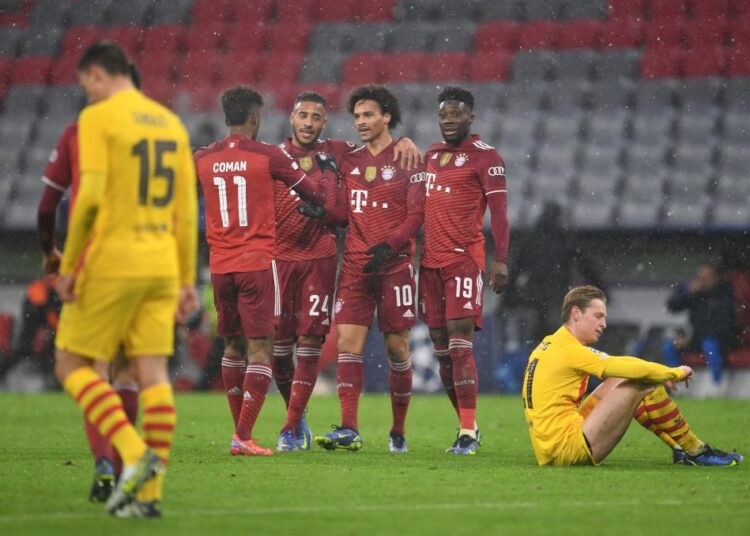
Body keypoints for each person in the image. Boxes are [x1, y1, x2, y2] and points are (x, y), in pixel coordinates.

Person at [53, 41, 198, 517]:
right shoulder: (171, 123)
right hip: (160, 263)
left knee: (71, 364)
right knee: (153, 375)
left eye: (86, 86)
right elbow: (184, 211)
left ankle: (133, 456)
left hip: (114, 260)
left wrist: (69, 266)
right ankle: (148, 500)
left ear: (96, 75)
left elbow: (89, 195)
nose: (87, 96)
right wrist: (186, 280)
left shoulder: (99, 118)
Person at [272, 91, 421, 452]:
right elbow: (342, 214)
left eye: (368, 114)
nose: (361, 122)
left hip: (395, 267)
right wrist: (321, 213)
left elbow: (416, 216)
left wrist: (391, 244)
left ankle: (398, 429)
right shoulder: (347, 158)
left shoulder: (408, 158)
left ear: (387, 117)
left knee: (398, 349)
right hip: (355, 267)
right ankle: (350, 428)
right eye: (356, 116)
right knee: (348, 347)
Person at [194, 85, 337, 457]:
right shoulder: (268, 155)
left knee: (232, 346)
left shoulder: (203, 157)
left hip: (220, 265)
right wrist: (327, 175)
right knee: (263, 349)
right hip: (257, 262)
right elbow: (317, 198)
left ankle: (239, 430)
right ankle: (243, 435)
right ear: (256, 118)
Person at [37, 61, 142, 503]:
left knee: (87, 369)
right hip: (139, 261)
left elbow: (47, 206)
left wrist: (51, 252)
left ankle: (104, 457)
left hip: (90, 264)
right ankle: (122, 470)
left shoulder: (78, 134)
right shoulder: (151, 136)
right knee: (128, 370)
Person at [522, 285, 743, 466]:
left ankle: (680, 448)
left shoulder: (553, 343)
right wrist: (673, 372)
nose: (604, 324)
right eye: (598, 316)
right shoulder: (570, 350)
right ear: (576, 314)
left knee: (624, 377)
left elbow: (621, 364)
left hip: (549, 447)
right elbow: (626, 367)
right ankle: (696, 451)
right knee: (641, 380)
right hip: (567, 449)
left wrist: (658, 372)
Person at [418, 86, 509, 455]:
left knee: (459, 344)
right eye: (444, 115)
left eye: (456, 114)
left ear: (470, 117)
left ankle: (468, 432)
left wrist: (500, 258)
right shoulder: (431, 155)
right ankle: (467, 426)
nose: (449, 120)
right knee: (442, 352)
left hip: (463, 261)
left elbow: (500, 213)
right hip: (429, 264)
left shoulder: (487, 157)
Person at [504, 201, 606, 343]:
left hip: (534, 296)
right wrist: (600, 289)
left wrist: (507, 297)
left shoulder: (531, 238)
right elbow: (585, 265)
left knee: (538, 336)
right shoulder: (564, 238)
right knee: (557, 334)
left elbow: (515, 269)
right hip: (557, 295)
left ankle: (539, 357)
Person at [663, 263, 737, 385]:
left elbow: (723, 326)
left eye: (706, 278)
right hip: (697, 338)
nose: (702, 282)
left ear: (717, 278)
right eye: (700, 278)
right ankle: (675, 385)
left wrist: (691, 339)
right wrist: (688, 292)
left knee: (710, 346)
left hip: (722, 340)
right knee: (669, 346)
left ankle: (717, 386)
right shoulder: (696, 294)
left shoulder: (725, 295)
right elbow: (672, 306)